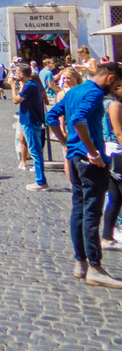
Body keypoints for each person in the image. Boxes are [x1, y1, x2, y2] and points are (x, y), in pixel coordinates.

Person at [58, 62, 122, 288]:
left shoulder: (75, 90)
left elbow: (52, 117)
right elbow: (78, 119)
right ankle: (95, 267)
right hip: (90, 161)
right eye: (117, 85)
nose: (116, 90)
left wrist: (68, 145)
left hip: (75, 159)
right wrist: (92, 151)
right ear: (110, 78)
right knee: (92, 213)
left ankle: (81, 263)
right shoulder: (94, 93)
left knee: (78, 210)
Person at [12, 64, 49, 191]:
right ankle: (40, 179)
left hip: (30, 121)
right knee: (35, 150)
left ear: (21, 75)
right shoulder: (34, 84)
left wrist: (12, 86)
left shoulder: (29, 86)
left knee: (35, 152)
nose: (15, 75)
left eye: (16, 73)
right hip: (33, 120)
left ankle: (41, 181)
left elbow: (16, 100)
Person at [100, 89, 122, 253]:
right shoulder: (114, 104)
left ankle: (108, 235)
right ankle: (112, 233)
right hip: (116, 151)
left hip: (106, 150)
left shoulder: (101, 103)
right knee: (116, 196)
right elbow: (119, 133)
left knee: (114, 197)